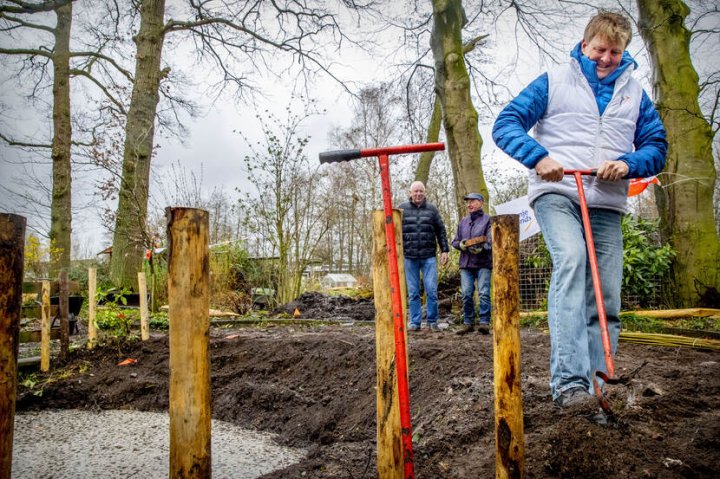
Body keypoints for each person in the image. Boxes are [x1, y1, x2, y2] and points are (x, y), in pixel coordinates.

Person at [492, 11, 667, 411]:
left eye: (616, 52)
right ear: (585, 45)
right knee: (571, 261)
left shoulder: (635, 94)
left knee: (606, 294)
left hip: (606, 201)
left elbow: (656, 147)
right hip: (559, 191)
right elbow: (507, 123)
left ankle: (599, 388)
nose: (606, 58)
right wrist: (538, 158)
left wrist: (627, 163)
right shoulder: (554, 81)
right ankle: (569, 383)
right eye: (600, 50)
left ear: (625, 53)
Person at [399, 181, 450, 332]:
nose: (418, 194)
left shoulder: (432, 209)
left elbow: (441, 230)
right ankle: (415, 323)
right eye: (415, 191)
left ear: (425, 192)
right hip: (410, 257)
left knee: (431, 290)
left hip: (429, 257)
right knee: (413, 292)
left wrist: (444, 250)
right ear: (410, 193)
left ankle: (432, 321)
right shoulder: (402, 209)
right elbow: (395, 232)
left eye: (421, 191)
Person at [452, 193, 492, 335]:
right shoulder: (463, 221)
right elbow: (455, 241)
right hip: (466, 263)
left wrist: (483, 248)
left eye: (473, 201)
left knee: (484, 293)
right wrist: (461, 245)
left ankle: (484, 323)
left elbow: (492, 241)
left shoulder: (489, 220)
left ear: (481, 202)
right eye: (468, 201)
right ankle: (468, 323)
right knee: (467, 294)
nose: (469, 204)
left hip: (483, 262)